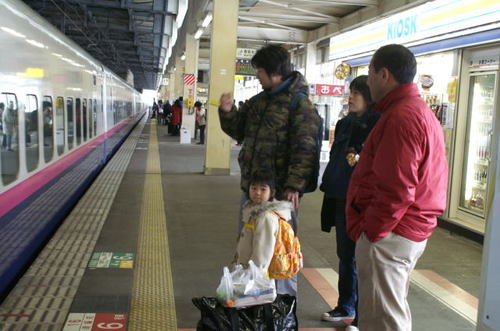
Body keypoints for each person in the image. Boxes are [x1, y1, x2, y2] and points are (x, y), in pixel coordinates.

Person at [346, 44, 448, 331]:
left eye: (370, 72)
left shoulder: (401, 117)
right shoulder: (416, 111)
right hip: (406, 228)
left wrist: (373, 231)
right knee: (389, 312)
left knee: (383, 320)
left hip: (392, 233)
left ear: (384, 75)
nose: (367, 80)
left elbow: (397, 189)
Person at [219, 44, 322, 296]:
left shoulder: (300, 104)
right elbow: (239, 130)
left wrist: (295, 186)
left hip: (281, 194)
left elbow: (305, 148)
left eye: (260, 71)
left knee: (280, 250)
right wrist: (227, 112)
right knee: (249, 244)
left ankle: (283, 305)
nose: (257, 76)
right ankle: (251, 298)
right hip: (253, 189)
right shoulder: (258, 102)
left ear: (275, 72)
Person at [320, 75, 379, 328]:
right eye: (351, 91)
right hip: (339, 196)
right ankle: (345, 306)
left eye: (357, 92)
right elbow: (337, 160)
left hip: (361, 202)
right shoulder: (344, 124)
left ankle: (361, 314)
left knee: (361, 259)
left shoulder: (378, 125)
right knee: (345, 255)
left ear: (369, 97)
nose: (351, 96)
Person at [231, 174, 294, 283]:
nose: (257, 192)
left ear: (272, 192)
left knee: (253, 300)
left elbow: (263, 252)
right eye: (253, 188)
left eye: (263, 189)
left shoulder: (266, 217)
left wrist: (254, 277)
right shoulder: (253, 211)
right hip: (247, 269)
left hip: (255, 275)